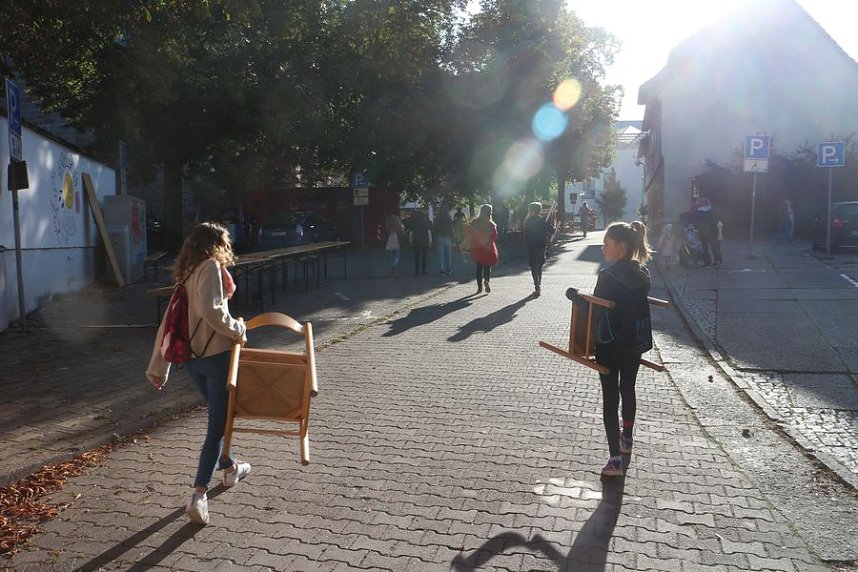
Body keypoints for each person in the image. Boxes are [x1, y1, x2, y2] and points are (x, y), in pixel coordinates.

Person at [146, 222, 250, 525]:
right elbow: (212, 310)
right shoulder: (211, 267)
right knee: (218, 425)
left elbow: (169, 321)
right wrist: (238, 329)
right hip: (216, 356)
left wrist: (158, 366)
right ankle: (199, 493)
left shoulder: (188, 272)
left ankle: (230, 468)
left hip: (192, 361)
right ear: (218, 244)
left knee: (223, 417)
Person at [592, 221, 653, 476]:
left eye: (607, 244)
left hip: (609, 344)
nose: (603, 249)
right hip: (634, 343)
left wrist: (575, 297)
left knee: (610, 399)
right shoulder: (642, 275)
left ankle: (615, 459)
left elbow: (593, 309)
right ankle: (626, 437)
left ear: (621, 246)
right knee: (628, 388)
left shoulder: (608, 276)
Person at [463, 204, 499, 294]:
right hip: (488, 248)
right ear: (490, 212)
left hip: (477, 248)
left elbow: (469, 233)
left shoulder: (475, 222)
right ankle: (486, 280)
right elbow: (494, 236)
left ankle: (479, 288)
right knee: (487, 266)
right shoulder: (491, 224)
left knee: (479, 268)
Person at [523, 202, 554, 297]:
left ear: (530, 210)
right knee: (539, 265)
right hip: (541, 245)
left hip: (531, 245)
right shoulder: (543, 220)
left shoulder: (527, 221)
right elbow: (551, 230)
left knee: (533, 266)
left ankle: (537, 285)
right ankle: (538, 284)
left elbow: (525, 234)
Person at [694, 198, 722, 266]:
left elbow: (695, 221)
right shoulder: (713, 211)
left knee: (705, 248)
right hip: (713, 231)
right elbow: (718, 220)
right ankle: (717, 260)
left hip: (703, 232)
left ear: (702, 204)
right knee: (714, 247)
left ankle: (707, 262)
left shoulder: (698, 211)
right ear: (709, 203)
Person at [409, 210, 433, 275]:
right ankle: (424, 270)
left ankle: (417, 270)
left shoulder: (414, 222)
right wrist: (430, 241)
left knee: (417, 255)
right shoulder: (426, 222)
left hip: (416, 240)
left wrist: (410, 241)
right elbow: (429, 233)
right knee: (424, 255)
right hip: (424, 241)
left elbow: (411, 233)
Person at [434, 208, 454, 276]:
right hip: (448, 238)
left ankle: (442, 270)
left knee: (440, 256)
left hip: (439, 238)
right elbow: (452, 230)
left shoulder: (437, 220)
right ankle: (449, 269)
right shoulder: (449, 220)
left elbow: (435, 229)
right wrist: (453, 239)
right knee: (448, 255)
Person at [385, 212, 405, 276]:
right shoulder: (399, 227)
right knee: (396, 256)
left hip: (390, 243)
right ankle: (395, 267)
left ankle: (392, 267)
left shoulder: (389, 227)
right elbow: (402, 234)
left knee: (391, 256)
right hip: (397, 243)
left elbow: (385, 235)